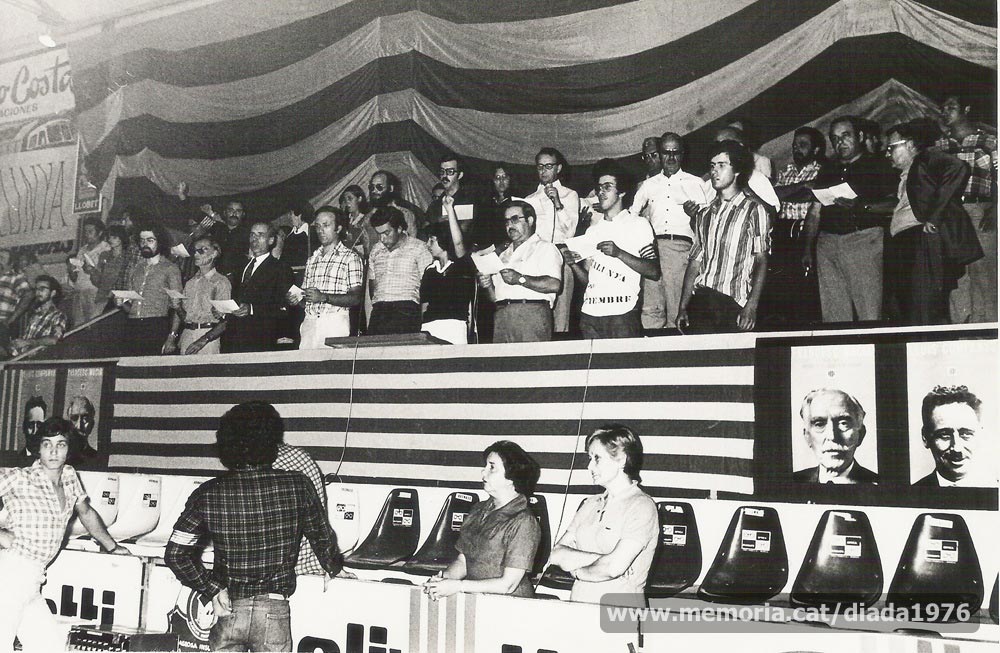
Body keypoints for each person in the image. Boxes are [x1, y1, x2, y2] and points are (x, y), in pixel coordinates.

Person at [165, 401, 347, 652]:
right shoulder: (297, 485)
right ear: (271, 442)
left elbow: (175, 554)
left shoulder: (208, 493)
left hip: (228, 608)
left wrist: (212, 588)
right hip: (274, 610)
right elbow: (323, 538)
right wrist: (334, 568)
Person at [0, 417, 130, 652]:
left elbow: (86, 512)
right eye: (47, 444)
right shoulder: (19, 477)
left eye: (60, 444)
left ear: (69, 450)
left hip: (33, 578)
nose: (53, 451)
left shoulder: (70, 476)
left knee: (50, 647)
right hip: (10, 574)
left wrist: (111, 546)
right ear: (37, 448)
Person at [549, 425, 658, 609]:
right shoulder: (590, 504)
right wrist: (600, 558)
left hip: (617, 617)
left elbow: (612, 568)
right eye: (590, 458)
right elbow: (556, 553)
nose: (589, 466)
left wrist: (576, 570)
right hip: (577, 608)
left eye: (597, 458)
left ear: (621, 459)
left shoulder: (642, 506)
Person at [801, 116, 896, 323]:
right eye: (834, 139)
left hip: (863, 240)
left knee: (869, 310)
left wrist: (862, 206)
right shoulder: (828, 169)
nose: (839, 143)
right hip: (827, 244)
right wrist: (808, 248)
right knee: (833, 314)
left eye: (845, 136)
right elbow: (815, 211)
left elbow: (894, 203)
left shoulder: (878, 165)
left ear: (859, 136)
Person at [884, 120, 977, 325]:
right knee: (911, 307)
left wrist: (934, 217)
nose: (887, 153)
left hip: (921, 241)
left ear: (909, 145)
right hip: (909, 242)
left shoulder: (925, 157)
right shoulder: (911, 171)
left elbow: (958, 167)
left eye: (891, 147)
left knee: (924, 308)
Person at [423, 441, 541, 600]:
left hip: (511, 605)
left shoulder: (524, 522)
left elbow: (509, 585)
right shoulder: (478, 510)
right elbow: (463, 559)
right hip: (477, 599)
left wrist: (458, 586)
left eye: (492, 467)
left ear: (511, 478)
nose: (483, 471)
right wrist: (444, 579)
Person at [677, 140, 770, 334]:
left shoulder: (754, 210)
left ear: (737, 170)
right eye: (712, 166)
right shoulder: (704, 215)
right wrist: (683, 307)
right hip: (702, 302)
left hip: (733, 304)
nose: (714, 171)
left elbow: (762, 261)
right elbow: (695, 263)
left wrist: (751, 307)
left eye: (721, 165)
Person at [565, 160, 658, 339]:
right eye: (599, 187)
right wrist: (574, 265)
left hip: (622, 314)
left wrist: (619, 254)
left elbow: (653, 271)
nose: (601, 192)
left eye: (607, 187)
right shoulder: (592, 230)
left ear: (622, 191)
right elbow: (589, 280)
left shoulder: (638, 224)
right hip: (590, 315)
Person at [630, 133, 711, 330]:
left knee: (677, 310)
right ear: (660, 154)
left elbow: (709, 224)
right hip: (652, 249)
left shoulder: (696, 183)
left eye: (676, 152)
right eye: (667, 152)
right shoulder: (648, 185)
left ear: (682, 155)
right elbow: (632, 215)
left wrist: (694, 216)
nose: (671, 157)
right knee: (651, 308)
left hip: (681, 249)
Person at [934, 94, 997, 324]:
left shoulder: (990, 141)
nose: (945, 111)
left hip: (981, 211)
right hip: (951, 215)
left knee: (986, 274)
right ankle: (962, 330)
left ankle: (990, 328)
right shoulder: (940, 145)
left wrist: (996, 209)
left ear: (967, 108)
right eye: (942, 107)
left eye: (951, 106)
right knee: (958, 275)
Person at [764, 126, 827, 328]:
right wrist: (803, 186)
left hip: (807, 233)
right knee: (783, 289)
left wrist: (790, 193)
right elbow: (774, 197)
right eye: (794, 145)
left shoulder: (823, 170)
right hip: (783, 234)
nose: (796, 149)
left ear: (816, 150)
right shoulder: (786, 171)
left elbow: (814, 196)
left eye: (802, 145)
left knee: (806, 290)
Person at [478, 200, 563, 343]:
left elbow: (554, 285)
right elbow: (495, 297)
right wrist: (487, 285)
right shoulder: (502, 254)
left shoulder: (545, 248)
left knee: (531, 363)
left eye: (515, 219)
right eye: (506, 222)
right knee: (502, 364)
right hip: (502, 317)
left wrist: (520, 279)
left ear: (530, 220)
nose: (510, 225)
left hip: (531, 314)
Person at [289, 208, 363, 348]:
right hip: (309, 324)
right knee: (306, 368)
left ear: (339, 228)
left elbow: (355, 298)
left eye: (326, 225)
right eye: (317, 226)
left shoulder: (350, 258)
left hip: (334, 323)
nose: (320, 230)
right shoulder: (312, 259)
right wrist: (297, 299)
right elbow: (307, 300)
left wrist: (324, 297)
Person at [526, 148, 580, 334]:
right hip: (537, 259)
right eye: (540, 166)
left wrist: (558, 203)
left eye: (548, 166)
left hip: (562, 257)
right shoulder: (529, 200)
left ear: (558, 168)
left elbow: (570, 231)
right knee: (537, 312)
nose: (543, 171)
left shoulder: (570, 195)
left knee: (561, 316)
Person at [225, 222, 294, 353]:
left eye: (260, 235)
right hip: (234, 337)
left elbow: (284, 308)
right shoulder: (240, 267)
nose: (254, 239)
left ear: (271, 240)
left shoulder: (280, 268)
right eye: (252, 235)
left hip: (261, 338)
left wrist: (251, 309)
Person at [117, 223, 183, 356]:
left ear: (160, 242)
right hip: (132, 325)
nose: (145, 244)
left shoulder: (170, 269)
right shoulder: (135, 268)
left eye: (150, 240)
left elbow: (178, 306)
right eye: (142, 241)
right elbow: (130, 304)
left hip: (156, 326)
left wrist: (172, 336)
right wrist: (121, 303)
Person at [367, 206, 433, 335]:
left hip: (406, 311)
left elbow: (429, 287)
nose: (382, 239)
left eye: (386, 233)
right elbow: (372, 286)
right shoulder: (375, 250)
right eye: (378, 234)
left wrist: (424, 319)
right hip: (379, 312)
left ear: (399, 228)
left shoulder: (419, 248)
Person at [793, 388, 878, 483]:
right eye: (819, 424)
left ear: (861, 434)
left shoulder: (881, 483)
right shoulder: (792, 483)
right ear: (807, 437)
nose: (832, 436)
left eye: (843, 423)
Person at [163, 236, 231, 355]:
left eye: (202, 250)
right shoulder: (190, 283)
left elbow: (225, 322)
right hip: (187, 335)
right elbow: (186, 318)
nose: (196, 254)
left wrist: (202, 340)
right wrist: (178, 307)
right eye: (195, 251)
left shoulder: (221, 282)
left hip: (208, 339)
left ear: (214, 253)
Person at [914, 385, 989, 487]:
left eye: (966, 434)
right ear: (925, 437)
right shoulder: (909, 495)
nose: (957, 449)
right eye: (944, 435)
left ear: (980, 435)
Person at [421, 212, 475, 344]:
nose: (427, 244)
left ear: (444, 239)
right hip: (428, 327)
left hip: (453, 327)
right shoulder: (430, 270)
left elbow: (458, 243)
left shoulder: (462, 265)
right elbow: (424, 305)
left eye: (432, 240)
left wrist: (449, 209)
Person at [5, 276, 67, 358]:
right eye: (36, 289)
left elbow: (54, 340)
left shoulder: (58, 316)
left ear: (53, 293)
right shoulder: (34, 313)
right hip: (23, 359)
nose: (38, 292)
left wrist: (28, 342)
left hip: (41, 361)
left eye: (42, 289)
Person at [66, 217, 111, 327]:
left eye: (90, 231)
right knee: (78, 328)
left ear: (100, 233)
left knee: (94, 326)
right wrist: (71, 270)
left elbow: (106, 276)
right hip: (79, 293)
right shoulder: (82, 250)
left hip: (95, 294)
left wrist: (92, 270)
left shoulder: (105, 249)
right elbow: (75, 278)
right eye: (85, 231)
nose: (87, 234)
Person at [87, 225, 130, 314]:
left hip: (120, 299)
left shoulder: (128, 257)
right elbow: (98, 281)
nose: (110, 240)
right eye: (109, 237)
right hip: (102, 298)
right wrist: (92, 271)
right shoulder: (104, 255)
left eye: (114, 237)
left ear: (122, 238)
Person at [0, 248, 34, 347]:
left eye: (1, 258)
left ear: (10, 264)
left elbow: (29, 294)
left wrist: (11, 319)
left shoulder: (16, 278)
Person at [66, 395, 102, 469]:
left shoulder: (96, 458)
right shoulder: (61, 456)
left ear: (92, 424)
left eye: (85, 418)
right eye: (74, 418)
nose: (79, 426)